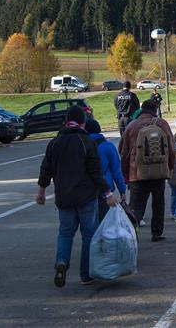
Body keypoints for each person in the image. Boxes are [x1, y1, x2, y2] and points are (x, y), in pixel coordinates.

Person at [36, 106, 116, 287]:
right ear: (83, 122)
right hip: (86, 196)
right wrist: (108, 193)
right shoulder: (87, 141)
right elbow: (96, 172)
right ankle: (85, 274)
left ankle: (62, 262)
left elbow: (45, 169)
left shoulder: (55, 142)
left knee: (65, 233)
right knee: (88, 235)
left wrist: (41, 192)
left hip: (64, 197)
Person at [119, 98, 175, 242]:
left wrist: (125, 174)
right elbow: (171, 148)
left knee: (136, 206)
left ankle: (133, 234)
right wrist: (170, 168)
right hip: (158, 171)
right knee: (158, 203)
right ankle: (156, 233)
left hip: (136, 172)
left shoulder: (132, 126)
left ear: (142, 109)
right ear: (155, 110)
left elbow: (123, 152)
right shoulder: (161, 124)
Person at [86, 118, 127, 224]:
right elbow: (116, 171)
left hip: (86, 189)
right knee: (104, 221)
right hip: (105, 189)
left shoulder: (82, 145)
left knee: (89, 223)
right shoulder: (108, 146)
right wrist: (122, 189)